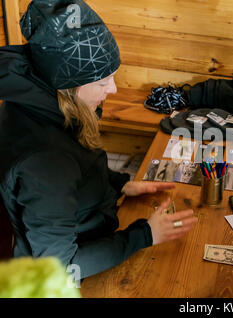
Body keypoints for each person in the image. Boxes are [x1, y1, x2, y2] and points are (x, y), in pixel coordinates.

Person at [0, 0, 197, 279]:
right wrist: (146, 234)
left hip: (88, 233)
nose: (113, 89)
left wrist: (120, 185)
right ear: (69, 86)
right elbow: (60, 268)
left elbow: (78, 163)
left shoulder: (45, 100)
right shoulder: (44, 163)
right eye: (103, 82)